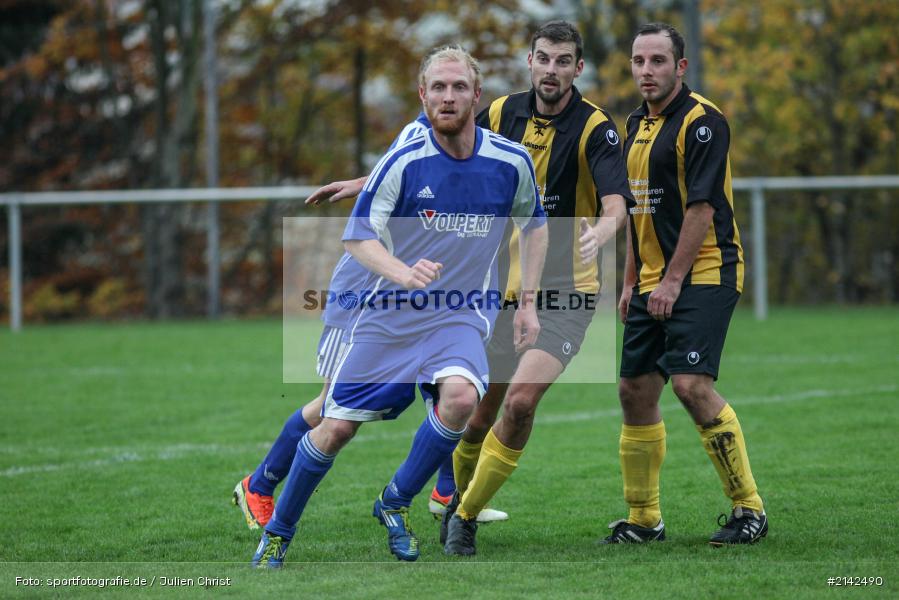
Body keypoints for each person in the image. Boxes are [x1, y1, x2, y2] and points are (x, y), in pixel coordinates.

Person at [251, 45, 548, 567]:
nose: (449, 96)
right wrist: (402, 273)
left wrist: (528, 304)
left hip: (458, 314)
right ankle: (278, 532)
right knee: (335, 426)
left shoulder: (510, 162)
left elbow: (538, 225)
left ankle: (394, 501)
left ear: (478, 97)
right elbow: (359, 239)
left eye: (459, 87)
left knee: (460, 399)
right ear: (422, 96)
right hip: (386, 316)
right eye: (438, 87)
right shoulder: (404, 160)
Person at [441, 20, 630, 556]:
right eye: (543, 58)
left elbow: (616, 200)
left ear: (578, 68)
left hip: (567, 293)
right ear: (531, 60)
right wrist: (370, 183)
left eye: (563, 60)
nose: (552, 69)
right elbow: (441, 148)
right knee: (479, 411)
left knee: (520, 403)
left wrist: (608, 227)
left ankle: (465, 518)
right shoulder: (501, 113)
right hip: (501, 290)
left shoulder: (596, 128)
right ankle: (454, 498)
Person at [601, 22, 767, 546]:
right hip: (652, 280)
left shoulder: (703, 122)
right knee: (634, 390)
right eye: (638, 61)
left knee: (692, 385)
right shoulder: (634, 124)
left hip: (705, 272)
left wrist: (671, 281)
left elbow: (700, 208)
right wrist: (631, 280)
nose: (646, 71)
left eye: (657, 61)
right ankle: (644, 520)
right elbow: (636, 213)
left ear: (681, 67)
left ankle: (749, 510)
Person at [231, 114, 430, 531]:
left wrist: (358, 183)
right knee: (330, 411)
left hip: (404, 301)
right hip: (363, 295)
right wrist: (362, 186)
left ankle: (448, 493)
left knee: (450, 390)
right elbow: (394, 176)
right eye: (441, 89)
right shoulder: (421, 133)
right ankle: (259, 486)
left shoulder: (461, 144)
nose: (451, 99)